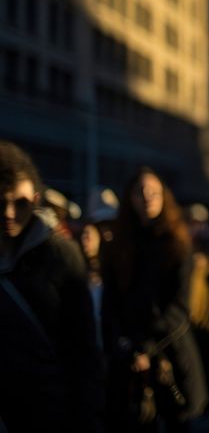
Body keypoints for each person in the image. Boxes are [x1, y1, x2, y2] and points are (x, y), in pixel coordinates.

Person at [0, 141, 105, 432]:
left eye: (19, 203)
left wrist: (87, 417)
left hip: (53, 409)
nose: (9, 213)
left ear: (35, 200)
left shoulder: (60, 254)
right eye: (1, 202)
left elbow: (83, 347)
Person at [102, 168, 207, 431]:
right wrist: (129, 348)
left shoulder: (178, 244)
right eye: (140, 191)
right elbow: (111, 304)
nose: (147, 197)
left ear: (164, 197)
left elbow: (179, 308)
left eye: (154, 191)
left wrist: (146, 348)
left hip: (170, 352)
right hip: (129, 358)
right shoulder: (120, 245)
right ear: (130, 199)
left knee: (176, 421)